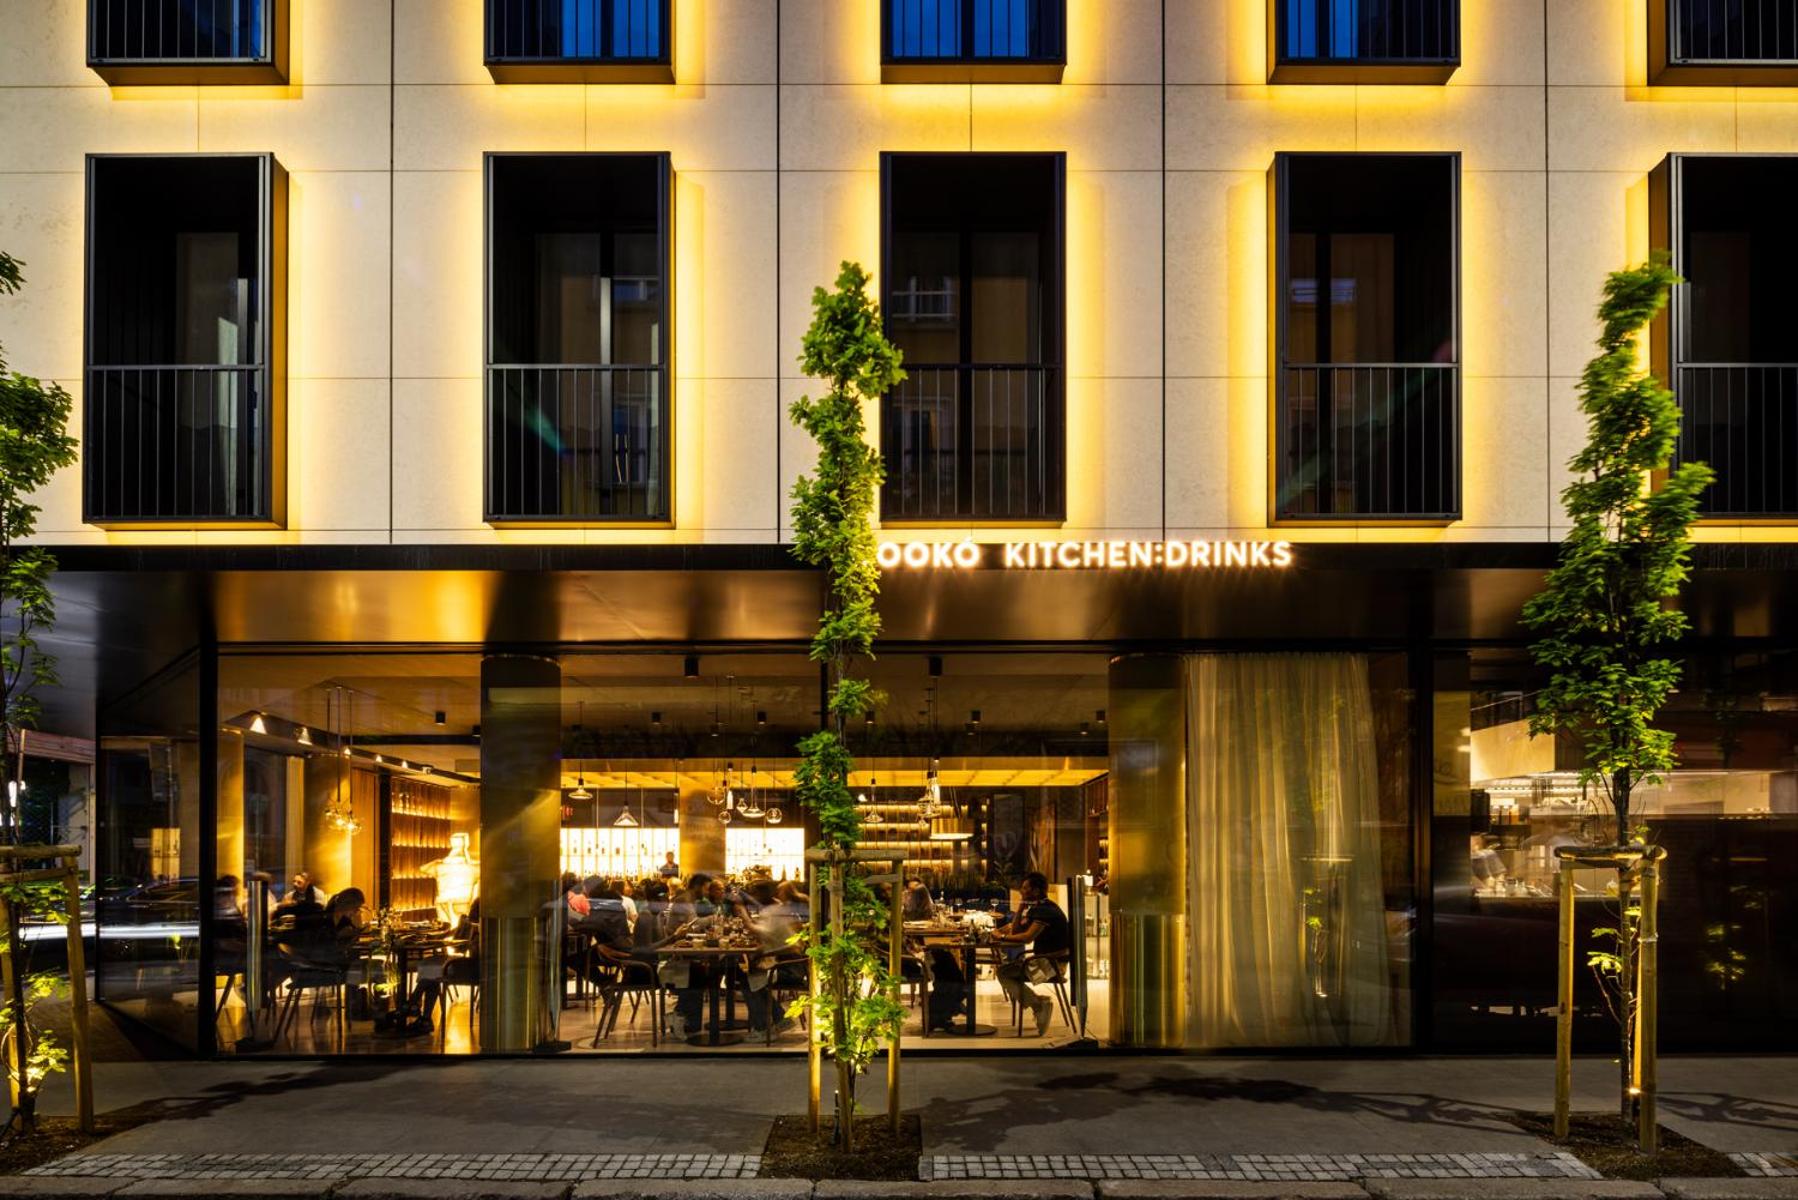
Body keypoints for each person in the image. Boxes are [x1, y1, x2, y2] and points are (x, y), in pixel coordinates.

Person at [990, 872, 1070, 1036]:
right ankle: (1038, 1004)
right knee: (1005, 971)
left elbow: (1027, 938)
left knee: (1003, 973)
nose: (1021, 890)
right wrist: (1020, 908)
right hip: (1045, 960)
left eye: (1025, 888)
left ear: (1036, 891)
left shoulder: (1045, 911)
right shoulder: (1040, 907)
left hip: (1052, 965)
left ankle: (1038, 1005)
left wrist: (1001, 937)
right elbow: (1016, 930)